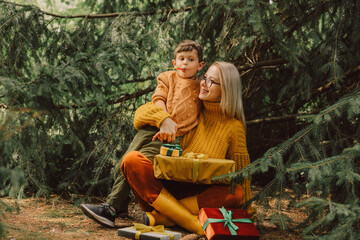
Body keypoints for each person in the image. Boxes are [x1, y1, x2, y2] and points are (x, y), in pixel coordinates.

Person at [80, 40, 205, 228]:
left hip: (170, 138)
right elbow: (159, 98)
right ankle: (120, 206)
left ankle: (111, 210)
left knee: (136, 161)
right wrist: (163, 119)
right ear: (174, 62)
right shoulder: (167, 78)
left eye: (191, 59)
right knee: (123, 163)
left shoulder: (200, 87)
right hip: (152, 127)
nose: (185, 63)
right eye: (181, 59)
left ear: (200, 65)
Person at [121, 61, 252, 235]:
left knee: (235, 192)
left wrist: (247, 212)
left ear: (226, 89)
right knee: (131, 160)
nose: (203, 83)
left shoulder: (233, 127)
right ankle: (191, 222)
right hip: (164, 190)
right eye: (204, 77)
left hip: (198, 196)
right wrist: (164, 119)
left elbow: (241, 174)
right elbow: (140, 114)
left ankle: (163, 218)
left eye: (211, 81)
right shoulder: (193, 108)